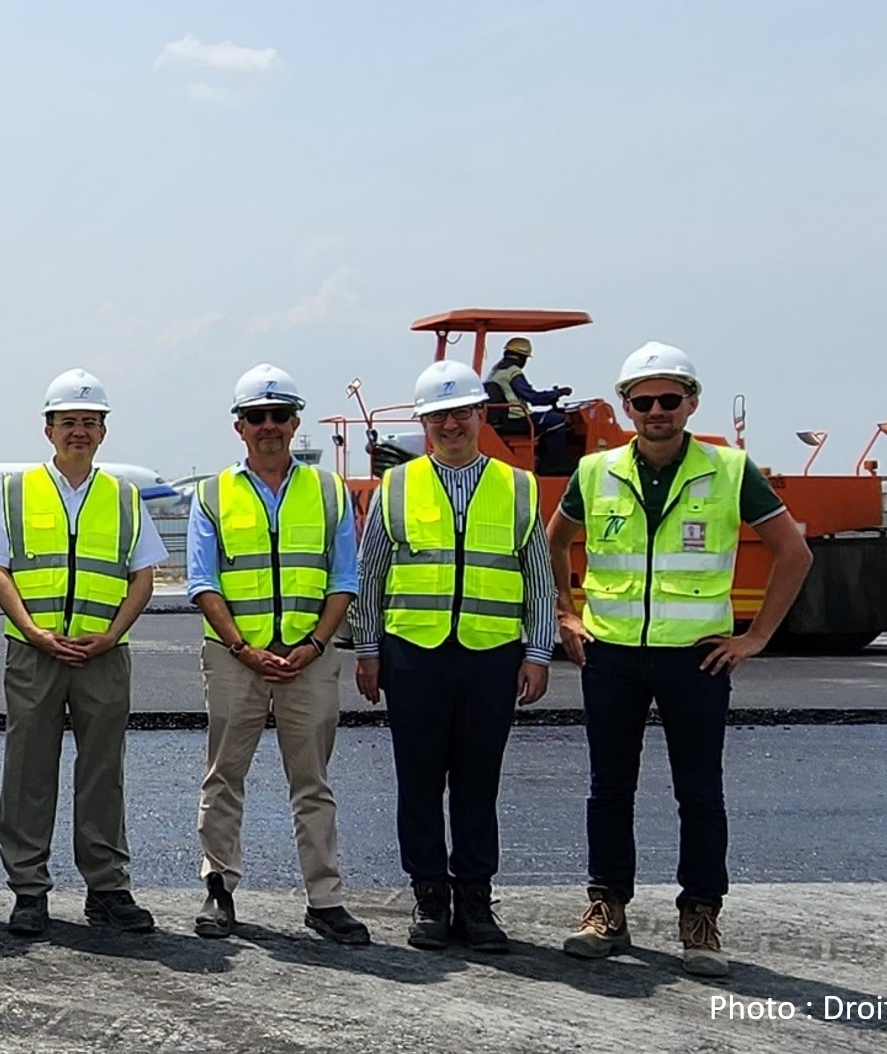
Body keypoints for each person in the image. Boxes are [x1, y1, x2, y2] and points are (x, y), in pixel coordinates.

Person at [548, 341, 812, 977]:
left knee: (699, 792)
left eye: (670, 398)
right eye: (644, 401)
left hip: (695, 660)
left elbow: (794, 553)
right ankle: (606, 906)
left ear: (692, 402)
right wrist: (565, 611)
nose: (657, 410)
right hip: (610, 653)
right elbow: (554, 541)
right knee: (608, 788)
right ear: (626, 407)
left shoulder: (728, 470)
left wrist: (755, 639)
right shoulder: (595, 471)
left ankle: (700, 916)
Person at [352, 360, 556, 952]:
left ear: (479, 415)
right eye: (438, 415)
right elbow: (372, 577)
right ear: (423, 423)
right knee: (417, 781)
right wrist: (369, 652)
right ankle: (429, 898)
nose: (450, 424)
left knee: (477, 782)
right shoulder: (397, 485)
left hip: (491, 656)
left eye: (461, 413)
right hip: (413, 653)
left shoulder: (517, 485)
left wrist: (537, 652)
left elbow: (538, 579)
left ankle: (475, 898)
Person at [185, 363, 369, 946]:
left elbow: (345, 578)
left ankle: (325, 898)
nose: (269, 426)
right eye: (256, 417)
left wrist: (315, 644)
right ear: (239, 427)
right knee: (225, 777)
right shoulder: (213, 494)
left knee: (312, 781)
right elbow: (201, 582)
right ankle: (218, 889)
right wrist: (243, 648)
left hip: (307, 660)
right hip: (236, 659)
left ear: (296, 422)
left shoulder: (328, 491)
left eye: (279, 416)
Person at [0, 368, 166, 938]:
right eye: (69, 422)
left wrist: (111, 634)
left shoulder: (124, 497)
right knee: (27, 773)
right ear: (48, 429)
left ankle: (107, 887)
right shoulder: (15, 493)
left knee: (102, 773)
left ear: (103, 431)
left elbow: (143, 575)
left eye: (89, 422)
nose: (79, 432)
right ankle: (29, 890)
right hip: (35, 654)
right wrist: (33, 632)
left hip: (102, 655)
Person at [485, 337, 573, 470]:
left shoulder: (496, 371)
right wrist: (557, 393)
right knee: (558, 420)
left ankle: (541, 459)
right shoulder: (513, 372)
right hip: (516, 417)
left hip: (507, 418)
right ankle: (553, 467)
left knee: (547, 419)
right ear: (521, 358)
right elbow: (533, 398)